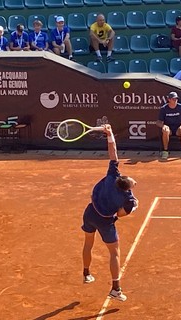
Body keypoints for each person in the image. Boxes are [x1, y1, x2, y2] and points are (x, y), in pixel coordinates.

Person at [81, 124, 138, 302]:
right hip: (105, 221)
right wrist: (135, 206)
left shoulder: (113, 175)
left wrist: (110, 133)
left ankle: (86, 273)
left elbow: (113, 151)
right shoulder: (128, 199)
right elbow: (120, 214)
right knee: (114, 253)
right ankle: (116, 289)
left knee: (88, 243)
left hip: (90, 213)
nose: (134, 181)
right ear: (127, 187)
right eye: (133, 182)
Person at [156, 92, 181, 161]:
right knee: (165, 130)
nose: (175, 100)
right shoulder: (164, 108)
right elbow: (158, 122)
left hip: (178, 129)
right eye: (173, 99)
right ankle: (165, 151)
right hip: (169, 130)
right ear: (169, 99)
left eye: (176, 99)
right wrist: (164, 126)